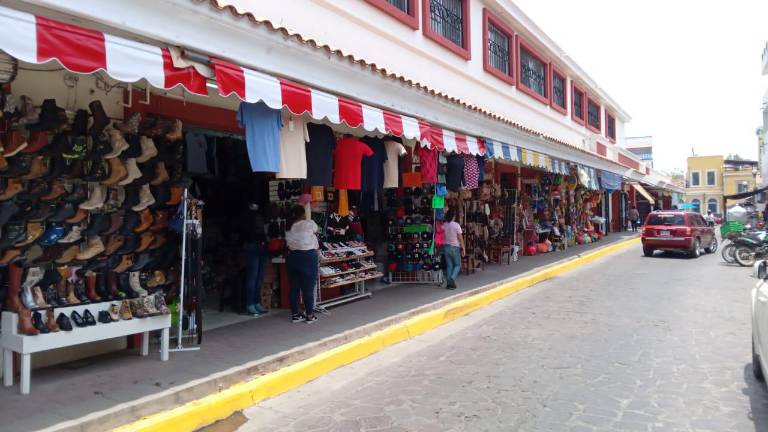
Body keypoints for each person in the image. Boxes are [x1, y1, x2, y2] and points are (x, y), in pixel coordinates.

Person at [285, 205, 319, 323]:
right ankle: (310, 315)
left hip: (292, 257)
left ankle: (295, 315)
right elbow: (316, 229)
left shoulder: (289, 226)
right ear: (303, 214)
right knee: (308, 288)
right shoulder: (308, 223)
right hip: (308, 257)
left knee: (294, 288)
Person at [242, 202, 267, 316]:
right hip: (253, 244)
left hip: (257, 244)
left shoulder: (253, 215)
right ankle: (251, 304)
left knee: (257, 276)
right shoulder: (250, 216)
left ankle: (255, 303)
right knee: (254, 276)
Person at [442, 209, 465, 290]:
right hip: (455, 247)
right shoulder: (456, 225)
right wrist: (463, 248)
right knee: (458, 265)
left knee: (449, 265)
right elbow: (460, 238)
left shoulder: (444, 225)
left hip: (446, 247)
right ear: (453, 216)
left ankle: (449, 284)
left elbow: (442, 236)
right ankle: (452, 278)